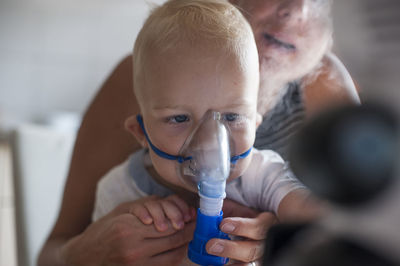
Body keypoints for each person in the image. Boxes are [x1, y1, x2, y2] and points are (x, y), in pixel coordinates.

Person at [38, 0, 360, 265]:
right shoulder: (124, 178)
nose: (298, 9)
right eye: (178, 118)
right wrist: (86, 254)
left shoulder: (321, 99)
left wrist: (292, 241)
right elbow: (51, 255)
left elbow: (351, 227)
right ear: (141, 131)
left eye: (233, 116)